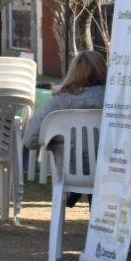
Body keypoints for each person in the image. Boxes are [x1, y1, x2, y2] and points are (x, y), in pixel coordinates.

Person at [23, 50, 108, 207]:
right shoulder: (114, 99)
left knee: (81, 157)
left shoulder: (60, 101)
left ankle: (75, 191)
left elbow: (30, 139)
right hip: (111, 171)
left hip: (70, 171)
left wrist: (54, 142)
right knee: (97, 158)